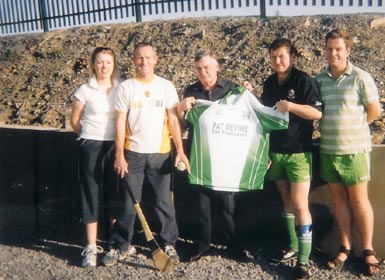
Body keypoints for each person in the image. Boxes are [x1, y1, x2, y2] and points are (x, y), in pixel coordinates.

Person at [102, 42, 189, 266]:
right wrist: (119, 155)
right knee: (128, 204)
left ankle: (168, 243)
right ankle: (121, 246)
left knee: (163, 202)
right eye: (140, 58)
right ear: (133, 61)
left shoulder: (166, 86)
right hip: (133, 155)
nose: (144, 62)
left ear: (156, 59)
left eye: (149, 57)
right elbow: (120, 123)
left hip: (160, 154)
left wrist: (180, 151)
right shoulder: (126, 87)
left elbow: (172, 120)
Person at [315, 28, 382, 276]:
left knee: (359, 201)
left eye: (338, 49)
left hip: (355, 150)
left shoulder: (361, 78)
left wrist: (354, 129)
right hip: (329, 151)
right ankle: (344, 246)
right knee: (339, 201)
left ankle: (367, 249)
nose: (333, 53)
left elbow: (374, 111)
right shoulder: (318, 79)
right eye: (330, 48)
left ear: (347, 51)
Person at [177, 50, 252, 262]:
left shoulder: (232, 89)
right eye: (199, 69)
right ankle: (202, 245)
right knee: (202, 204)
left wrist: (248, 94)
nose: (203, 72)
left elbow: (249, 116)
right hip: (200, 156)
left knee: (228, 204)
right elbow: (183, 125)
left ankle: (233, 245)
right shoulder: (191, 91)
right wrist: (181, 109)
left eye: (207, 67)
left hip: (226, 156)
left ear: (217, 67)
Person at [261, 38, 323, 280]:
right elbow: (265, 115)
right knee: (285, 199)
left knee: (299, 203)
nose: (278, 61)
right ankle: (293, 246)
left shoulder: (304, 80)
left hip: (299, 153)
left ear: (292, 57)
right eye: (274, 57)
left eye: (282, 57)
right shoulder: (269, 82)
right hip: (276, 153)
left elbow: (317, 112)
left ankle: (304, 262)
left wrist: (292, 106)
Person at [70, 46, 124, 267]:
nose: (104, 67)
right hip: (91, 144)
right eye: (100, 62)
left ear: (114, 65)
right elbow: (75, 120)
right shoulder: (84, 89)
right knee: (90, 193)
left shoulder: (122, 88)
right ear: (93, 65)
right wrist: (88, 137)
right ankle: (91, 247)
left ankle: (113, 243)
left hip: (116, 146)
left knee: (114, 193)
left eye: (108, 62)